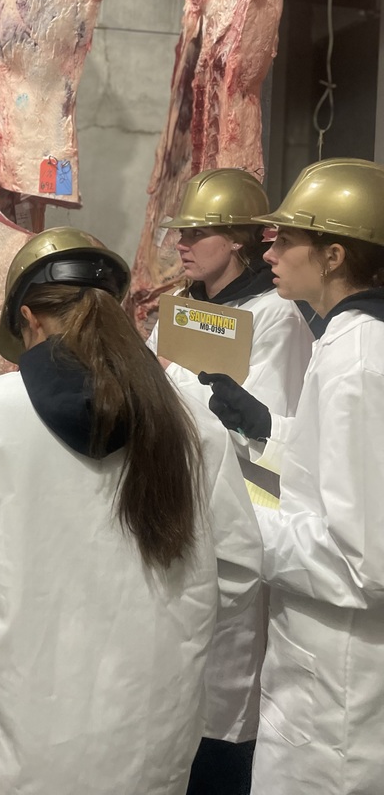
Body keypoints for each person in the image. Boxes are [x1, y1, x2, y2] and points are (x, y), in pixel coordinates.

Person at [0, 227, 262, 795]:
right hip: (147, 722)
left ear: (28, 318)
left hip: (17, 717)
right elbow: (241, 570)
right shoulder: (192, 423)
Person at [200, 158, 384, 795]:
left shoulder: (358, 360)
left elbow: (366, 563)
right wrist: (268, 426)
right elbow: (333, 470)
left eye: (288, 239)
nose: (269, 249)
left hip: (338, 689)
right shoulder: (347, 339)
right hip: (316, 664)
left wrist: (233, 522)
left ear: (333, 255)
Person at [147, 168, 314, 795]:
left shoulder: (276, 315)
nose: (183, 243)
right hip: (175, 491)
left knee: (229, 671)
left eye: (199, 232)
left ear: (239, 241)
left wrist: (184, 390)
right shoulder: (184, 306)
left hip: (241, 502)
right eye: (182, 232)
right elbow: (152, 385)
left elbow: (261, 421)